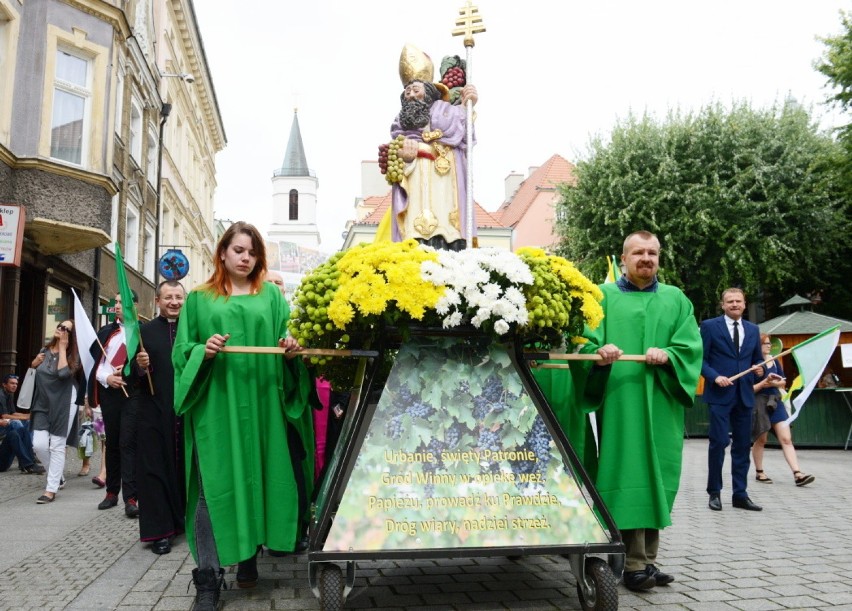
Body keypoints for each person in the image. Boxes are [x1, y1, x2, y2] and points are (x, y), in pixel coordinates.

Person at [173, 221, 312, 609]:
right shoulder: (199, 299)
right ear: (222, 252)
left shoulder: (271, 297)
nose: (245, 257)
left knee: (257, 480)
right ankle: (208, 578)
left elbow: (289, 339)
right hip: (217, 406)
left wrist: (290, 347)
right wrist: (205, 350)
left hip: (264, 402)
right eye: (238, 250)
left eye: (252, 252)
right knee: (212, 488)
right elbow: (182, 351)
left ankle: (249, 557)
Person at [573, 230, 703, 591]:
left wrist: (671, 356)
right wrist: (600, 354)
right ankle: (630, 564)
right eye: (638, 253)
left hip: (661, 402)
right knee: (626, 474)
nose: (646, 258)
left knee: (659, 476)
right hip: (621, 401)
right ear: (625, 258)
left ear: (659, 257)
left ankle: (646, 560)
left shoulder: (677, 300)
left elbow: (690, 346)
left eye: (652, 253)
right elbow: (584, 342)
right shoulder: (603, 298)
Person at [389, 68, 478, 250]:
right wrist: (405, 157)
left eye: (416, 90)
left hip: (445, 180)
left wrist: (468, 105)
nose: (411, 96)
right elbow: (394, 167)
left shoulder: (448, 112)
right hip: (415, 183)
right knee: (415, 228)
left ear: (428, 92)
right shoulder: (400, 125)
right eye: (407, 92)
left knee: (447, 225)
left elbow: (465, 139)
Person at [132, 280, 187, 555]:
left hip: (187, 412)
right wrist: (140, 367)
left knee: (185, 469)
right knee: (154, 471)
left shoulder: (192, 331)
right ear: (158, 301)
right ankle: (161, 531)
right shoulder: (144, 332)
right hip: (154, 412)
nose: (174, 302)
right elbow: (129, 375)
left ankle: (185, 521)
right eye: (168, 297)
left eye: (178, 297)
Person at [701, 288, 765, 513]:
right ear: (723, 305)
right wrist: (714, 376)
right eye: (730, 301)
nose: (735, 304)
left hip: (745, 396)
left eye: (738, 301)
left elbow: (757, 359)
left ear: (745, 304)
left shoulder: (753, 329)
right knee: (718, 444)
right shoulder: (709, 327)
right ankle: (714, 493)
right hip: (720, 395)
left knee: (742, 447)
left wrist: (759, 370)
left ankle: (740, 494)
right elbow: (700, 360)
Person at [90, 291, 139, 517]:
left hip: (132, 395)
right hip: (110, 392)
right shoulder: (106, 332)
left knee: (127, 443)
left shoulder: (140, 333)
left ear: (134, 306)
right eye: (116, 302)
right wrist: (107, 378)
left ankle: (132, 497)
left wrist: (129, 372)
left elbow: (147, 365)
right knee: (112, 443)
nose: (117, 306)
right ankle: (111, 493)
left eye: (122, 303)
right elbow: (97, 364)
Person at [30, 320, 83, 503]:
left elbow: (62, 374)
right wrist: (34, 363)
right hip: (42, 403)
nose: (62, 330)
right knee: (38, 444)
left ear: (72, 335)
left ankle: (50, 489)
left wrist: (63, 348)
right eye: (61, 326)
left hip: (64, 402)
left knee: (57, 445)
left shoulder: (74, 355)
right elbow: (35, 373)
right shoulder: (44, 351)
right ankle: (57, 475)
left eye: (67, 329)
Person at [751, 334, 815, 487]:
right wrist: (766, 383)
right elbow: (750, 389)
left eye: (769, 343)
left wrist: (772, 384)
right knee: (761, 439)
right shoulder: (752, 363)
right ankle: (760, 472)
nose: (768, 346)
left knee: (786, 438)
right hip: (759, 402)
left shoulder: (775, 360)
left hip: (776, 401)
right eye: (765, 343)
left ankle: (797, 473)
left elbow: (783, 382)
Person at [0, 374, 45, 474]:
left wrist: (28, 416)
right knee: (16, 424)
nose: (15, 386)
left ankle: (29, 463)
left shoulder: (9, 395)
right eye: (12, 383)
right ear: (4, 385)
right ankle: (28, 463)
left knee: (20, 431)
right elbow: (4, 416)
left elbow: (12, 413)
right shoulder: (1, 395)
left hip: (3, 459)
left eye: (16, 384)